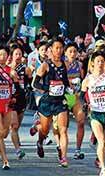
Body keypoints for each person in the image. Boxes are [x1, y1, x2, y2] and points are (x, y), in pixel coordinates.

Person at [32, 37, 71, 167]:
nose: (59, 51)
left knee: (63, 130)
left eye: (61, 48)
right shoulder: (45, 65)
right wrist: (47, 88)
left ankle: (64, 157)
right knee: (44, 129)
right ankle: (39, 140)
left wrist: (70, 91)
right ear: (51, 50)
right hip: (47, 101)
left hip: (60, 102)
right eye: (56, 48)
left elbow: (65, 82)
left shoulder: (65, 64)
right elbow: (35, 83)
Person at [80, 51, 105, 176]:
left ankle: (99, 158)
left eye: (102, 61)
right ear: (93, 63)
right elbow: (81, 96)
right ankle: (104, 168)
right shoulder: (87, 80)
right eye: (98, 61)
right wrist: (85, 106)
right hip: (95, 114)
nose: (100, 63)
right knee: (101, 141)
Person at [9, 44, 32, 159]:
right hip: (10, 99)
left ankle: (14, 142)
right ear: (11, 56)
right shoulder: (7, 68)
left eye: (20, 54)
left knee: (16, 127)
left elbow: (30, 83)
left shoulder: (25, 69)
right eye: (16, 54)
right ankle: (18, 150)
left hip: (22, 99)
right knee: (14, 125)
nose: (18, 56)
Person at [63, 42, 85, 160]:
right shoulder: (62, 65)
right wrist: (69, 83)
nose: (72, 54)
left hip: (75, 97)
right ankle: (62, 148)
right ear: (65, 53)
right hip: (64, 97)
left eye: (74, 51)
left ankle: (78, 149)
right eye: (70, 51)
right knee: (63, 126)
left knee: (81, 121)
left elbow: (83, 80)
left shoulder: (80, 65)